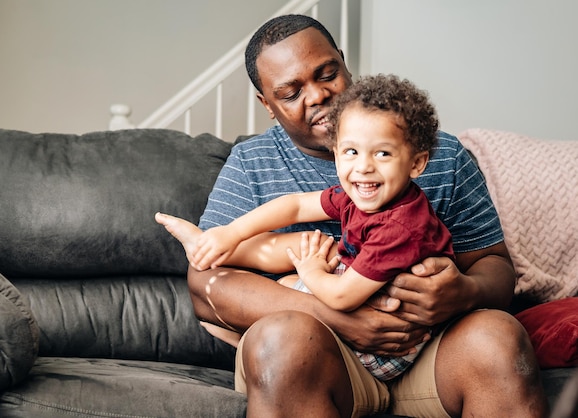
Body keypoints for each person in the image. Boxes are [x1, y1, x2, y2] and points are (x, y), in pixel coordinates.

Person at [180, 14, 548, 418]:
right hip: (316, 357)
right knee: (281, 339)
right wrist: (335, 317)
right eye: (290, 92)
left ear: (344, 61)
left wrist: (466, 292)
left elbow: (496, 267)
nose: (317, 95)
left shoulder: (442, 155)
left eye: (327, 73)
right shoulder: (252, 163)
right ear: (267, 104)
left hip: (428, 351)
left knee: (498, 337)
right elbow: (205, 283)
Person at [157, 74, 455, 383]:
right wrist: (231, 232)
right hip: (367, 300)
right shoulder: (362, 194)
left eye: (382, 153)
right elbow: (295, 205)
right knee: (301, 262)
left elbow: (341, 298)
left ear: (417, 164)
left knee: (305, 267)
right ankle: (210, 244)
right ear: (336, 151)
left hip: (388, 344)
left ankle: (236, 333)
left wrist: (313, 271)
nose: (364, 166)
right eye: (351, 152)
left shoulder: (399, 226)